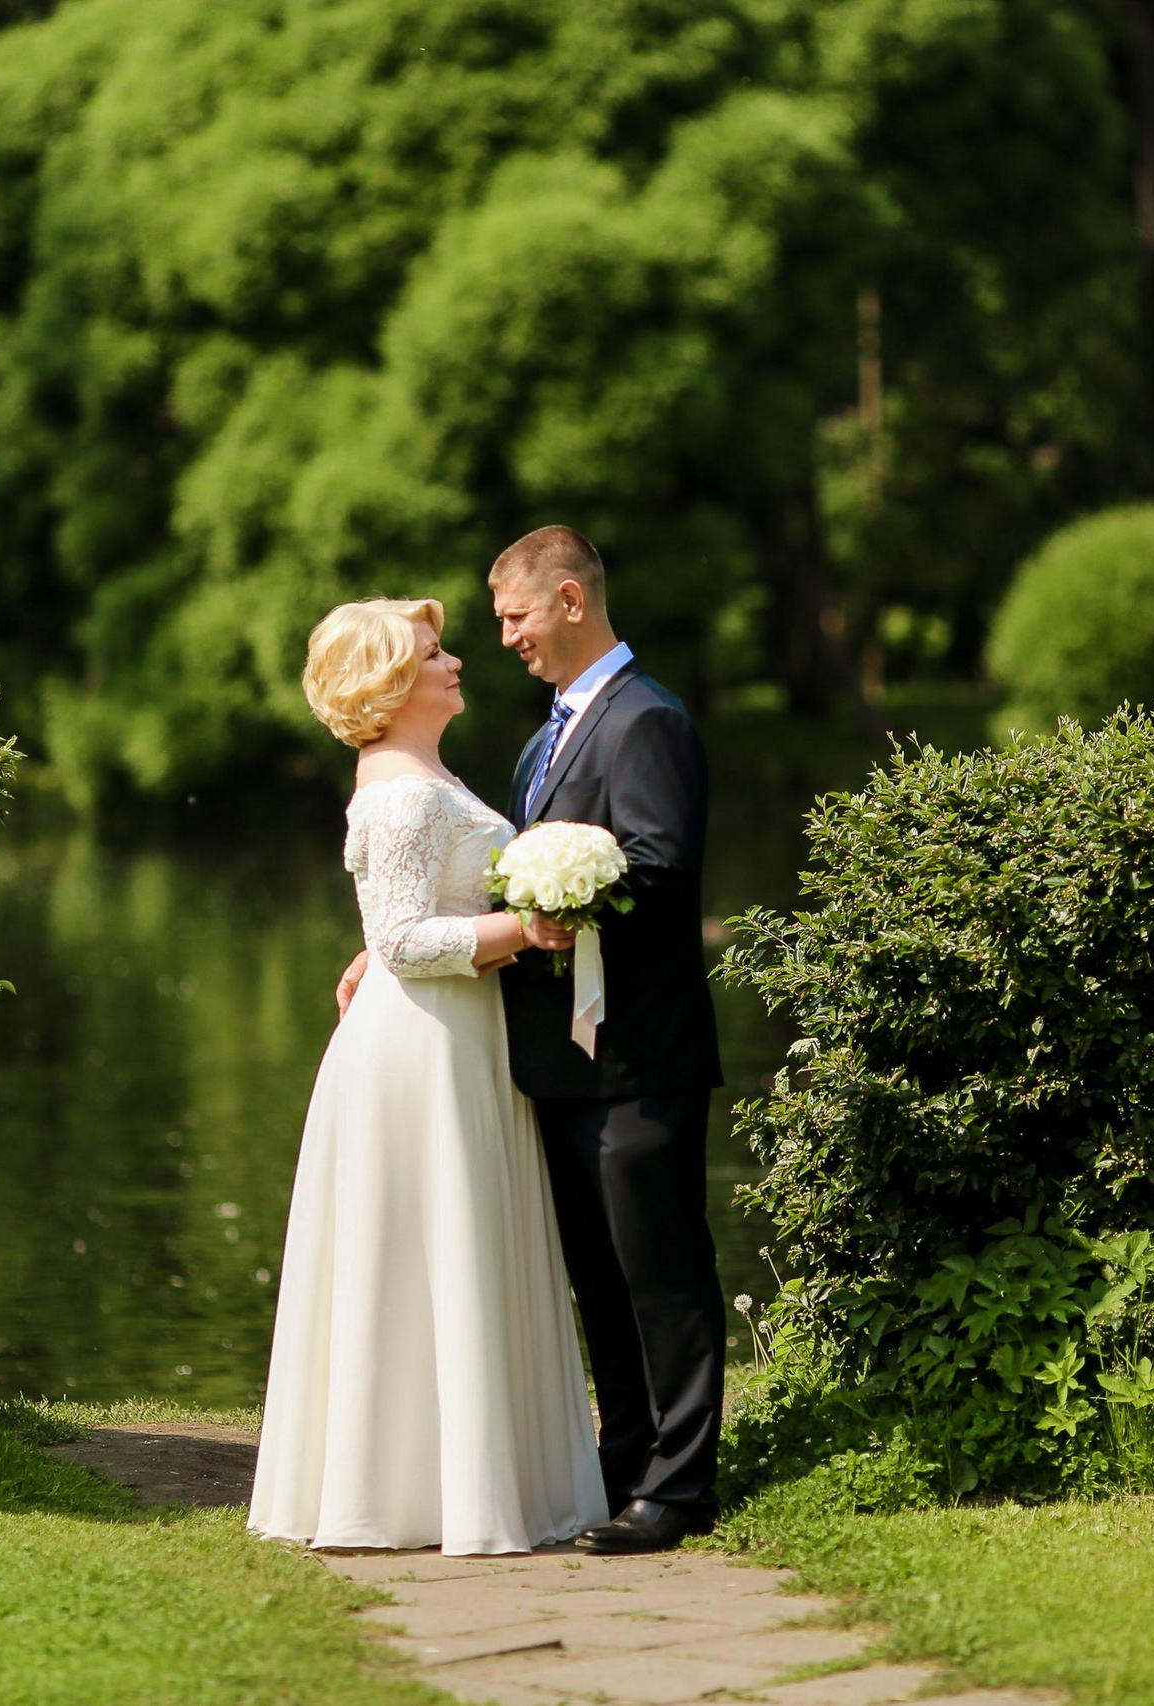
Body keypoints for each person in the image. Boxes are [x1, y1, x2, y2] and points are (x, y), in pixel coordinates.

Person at [336, 527, 726, 1553]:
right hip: (553, 1055)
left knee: (660, 1266)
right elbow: (464, 886)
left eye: (510, 614)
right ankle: (625, 1461)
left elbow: (660, 866)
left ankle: (682, 1484)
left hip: (640, 1047)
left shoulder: (646, 720)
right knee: (597, 1272)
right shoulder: (538, 739)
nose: (499, 636)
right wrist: (393, 949)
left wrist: (557, 901)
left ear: (564, 597)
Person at [248, 596, 606, 1555]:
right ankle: (414, 1492)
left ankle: (455, 1481)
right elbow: (405, 938)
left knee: (450, 1248)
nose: (456, 663)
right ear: (391, 684)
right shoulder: (405, 790)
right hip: (422, 1049)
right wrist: (526, 929)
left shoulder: (417, 775)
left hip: (454, 1035)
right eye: (434, 652)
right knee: (424, 1248)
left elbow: (393, 928)